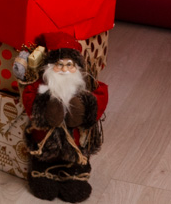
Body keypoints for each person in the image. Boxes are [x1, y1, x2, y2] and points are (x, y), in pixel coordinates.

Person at [22, 31, 108, 202]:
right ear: (48, 66)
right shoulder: (40, 86)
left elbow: (101, 95)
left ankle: (73, 179)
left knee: (75, 167)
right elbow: (28, 98)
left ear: (78, 67)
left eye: (70, 65)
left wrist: (84, 106)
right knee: (43, 165)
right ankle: (43, 177)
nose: (64, 69)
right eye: (59, 65)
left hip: (74, 141)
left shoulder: (85, 84)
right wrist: (46, 106)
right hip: (46, 141)